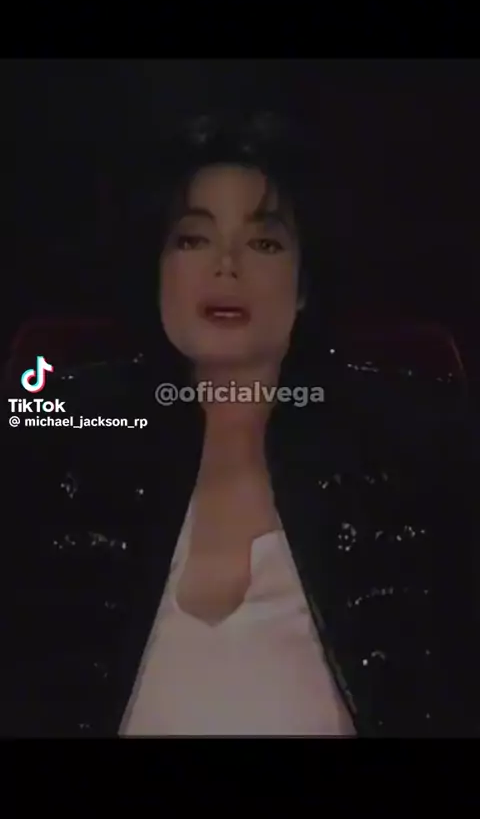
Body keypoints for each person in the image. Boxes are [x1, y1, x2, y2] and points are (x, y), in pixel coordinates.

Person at [2, 113, 478, 737]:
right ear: (156, 271)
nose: (226, 265)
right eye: (192, 239)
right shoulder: (61, 436)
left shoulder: (413, 443)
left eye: (264, 243)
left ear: (304, 285)